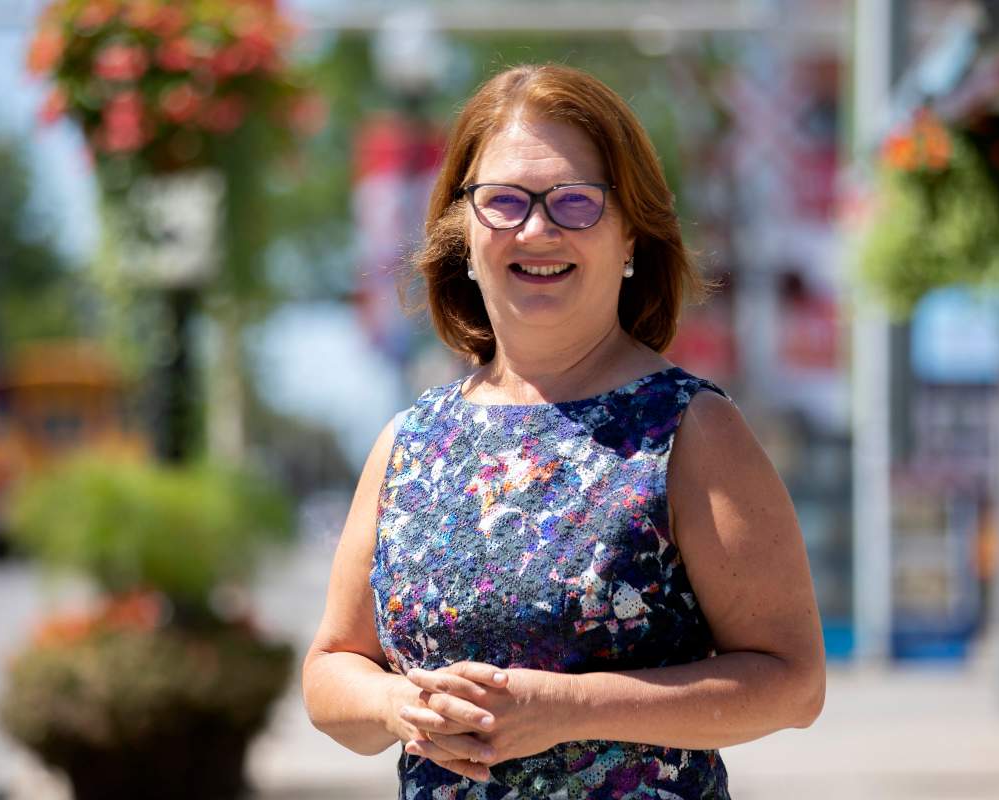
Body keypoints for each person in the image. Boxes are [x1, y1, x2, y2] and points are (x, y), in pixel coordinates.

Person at [303, 63, 825, 799]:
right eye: (504, 201)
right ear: (462, 231)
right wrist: (398, 704)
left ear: (630, 235)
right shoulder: (410, 442)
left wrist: (569, 708)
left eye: (576, 201)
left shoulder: (692, 431)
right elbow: (330, 671)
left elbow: (793, 684)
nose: (537, 229)